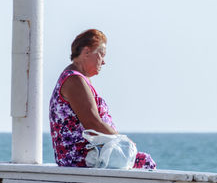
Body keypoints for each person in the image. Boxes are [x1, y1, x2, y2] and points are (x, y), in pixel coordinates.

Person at [49, 29, 156, 169]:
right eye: (101, 55)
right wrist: (123, 141)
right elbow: (92, 123)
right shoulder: (74, 80)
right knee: (145, 162)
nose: (104, 62)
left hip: (90, 152)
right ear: (87, 52)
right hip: (82, 156)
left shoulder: (78, 78)